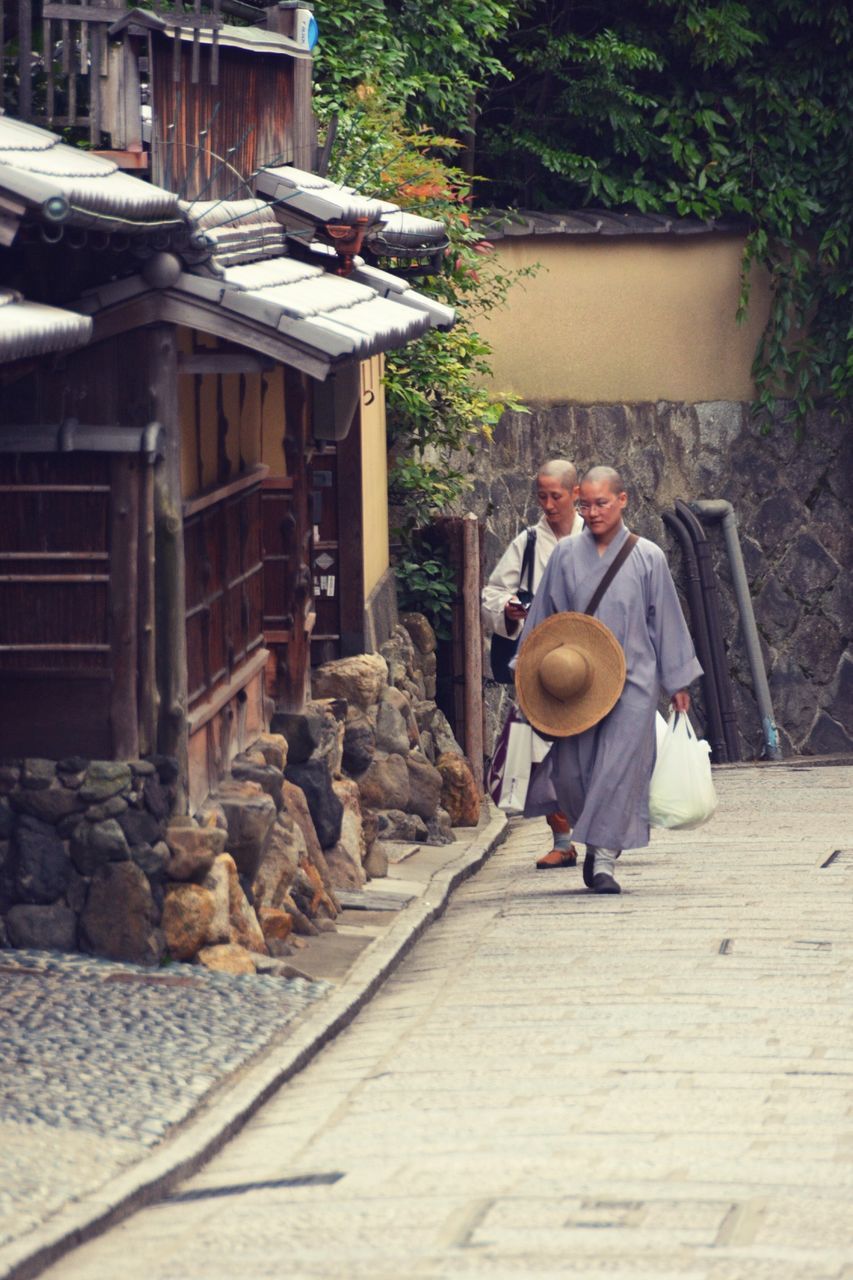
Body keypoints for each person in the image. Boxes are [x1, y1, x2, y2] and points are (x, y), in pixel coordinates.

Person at [520, 465, 702, 894]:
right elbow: (543, 621)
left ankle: (603, 858)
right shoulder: (565, 556)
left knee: (619, 768)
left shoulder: (648, 557)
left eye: (602, 503)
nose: (593, 512)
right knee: (572, 772)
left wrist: (677, 681)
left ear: (623, 501)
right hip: (574, 683)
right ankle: (594, 836)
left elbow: (666, 622)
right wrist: (528, 678)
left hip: (633, 681)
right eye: (586, 504)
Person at [482, 459, 584, 869]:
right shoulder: (527, 543)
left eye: (555, 496)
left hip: (589, 658)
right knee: (540, 752)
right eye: (541, 496)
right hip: (539, 664)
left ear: (575, 494)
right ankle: (562, 839)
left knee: (591, 749)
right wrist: (508, 611)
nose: (547, 504)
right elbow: (492, 592)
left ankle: (600, 835)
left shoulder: (598, 537)